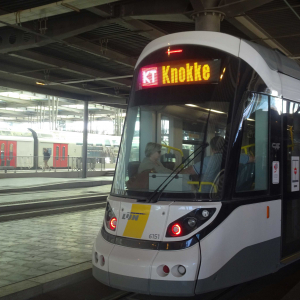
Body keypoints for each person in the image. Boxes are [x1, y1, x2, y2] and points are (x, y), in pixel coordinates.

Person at [182, 136, 254, 192]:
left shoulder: (209, 160)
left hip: (210, 192)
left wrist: (177, 171)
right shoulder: (237, 157)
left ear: (212, 149)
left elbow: (189, 171)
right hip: (231, 190)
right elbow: (253, 159)